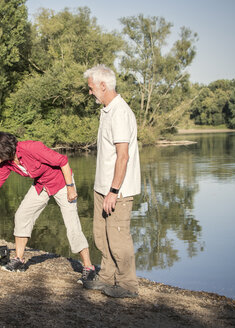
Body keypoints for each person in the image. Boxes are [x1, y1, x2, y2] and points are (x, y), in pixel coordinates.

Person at [0, 131, 95, 283]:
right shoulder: (6, 163)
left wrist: (70, 187)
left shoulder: (31, 148)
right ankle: (19, 261)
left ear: (2, 148)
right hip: (41, 185)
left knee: (72, 224)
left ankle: (88, 268)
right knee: (22, 215)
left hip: (62, 182)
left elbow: (63, 161)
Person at [82, 64, 141, 298]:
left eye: (91, 88)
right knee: (101, 235)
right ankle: (106, 276)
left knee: (118, 237)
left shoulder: (120, 112)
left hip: (118, 190)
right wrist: (104, 189)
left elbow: (123, 156)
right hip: (102, 188)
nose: (90, 92)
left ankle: (128, 285)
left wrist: (114, 191)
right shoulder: (106, 110)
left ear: (103, 86)